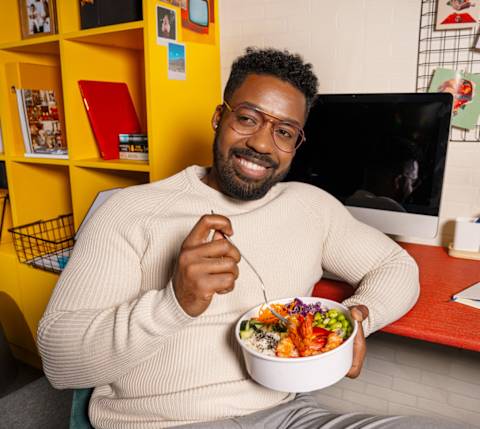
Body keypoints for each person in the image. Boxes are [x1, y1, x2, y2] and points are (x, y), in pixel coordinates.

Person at [37, 48, 467, 429]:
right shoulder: (129, 210)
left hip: (288, 415)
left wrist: (355, 321)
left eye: (284, 131)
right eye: (247, 118)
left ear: (296, 144)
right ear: (218, 117)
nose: (262, 142)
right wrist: (174, 303)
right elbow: (60, 362)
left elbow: (395, 266)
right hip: (162, 420)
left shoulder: (309, 205)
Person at [345, 136, 421, 213]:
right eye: (412, 183)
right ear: (398, 181)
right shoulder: (392, 209)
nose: (411, 190)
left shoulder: (347, 203)